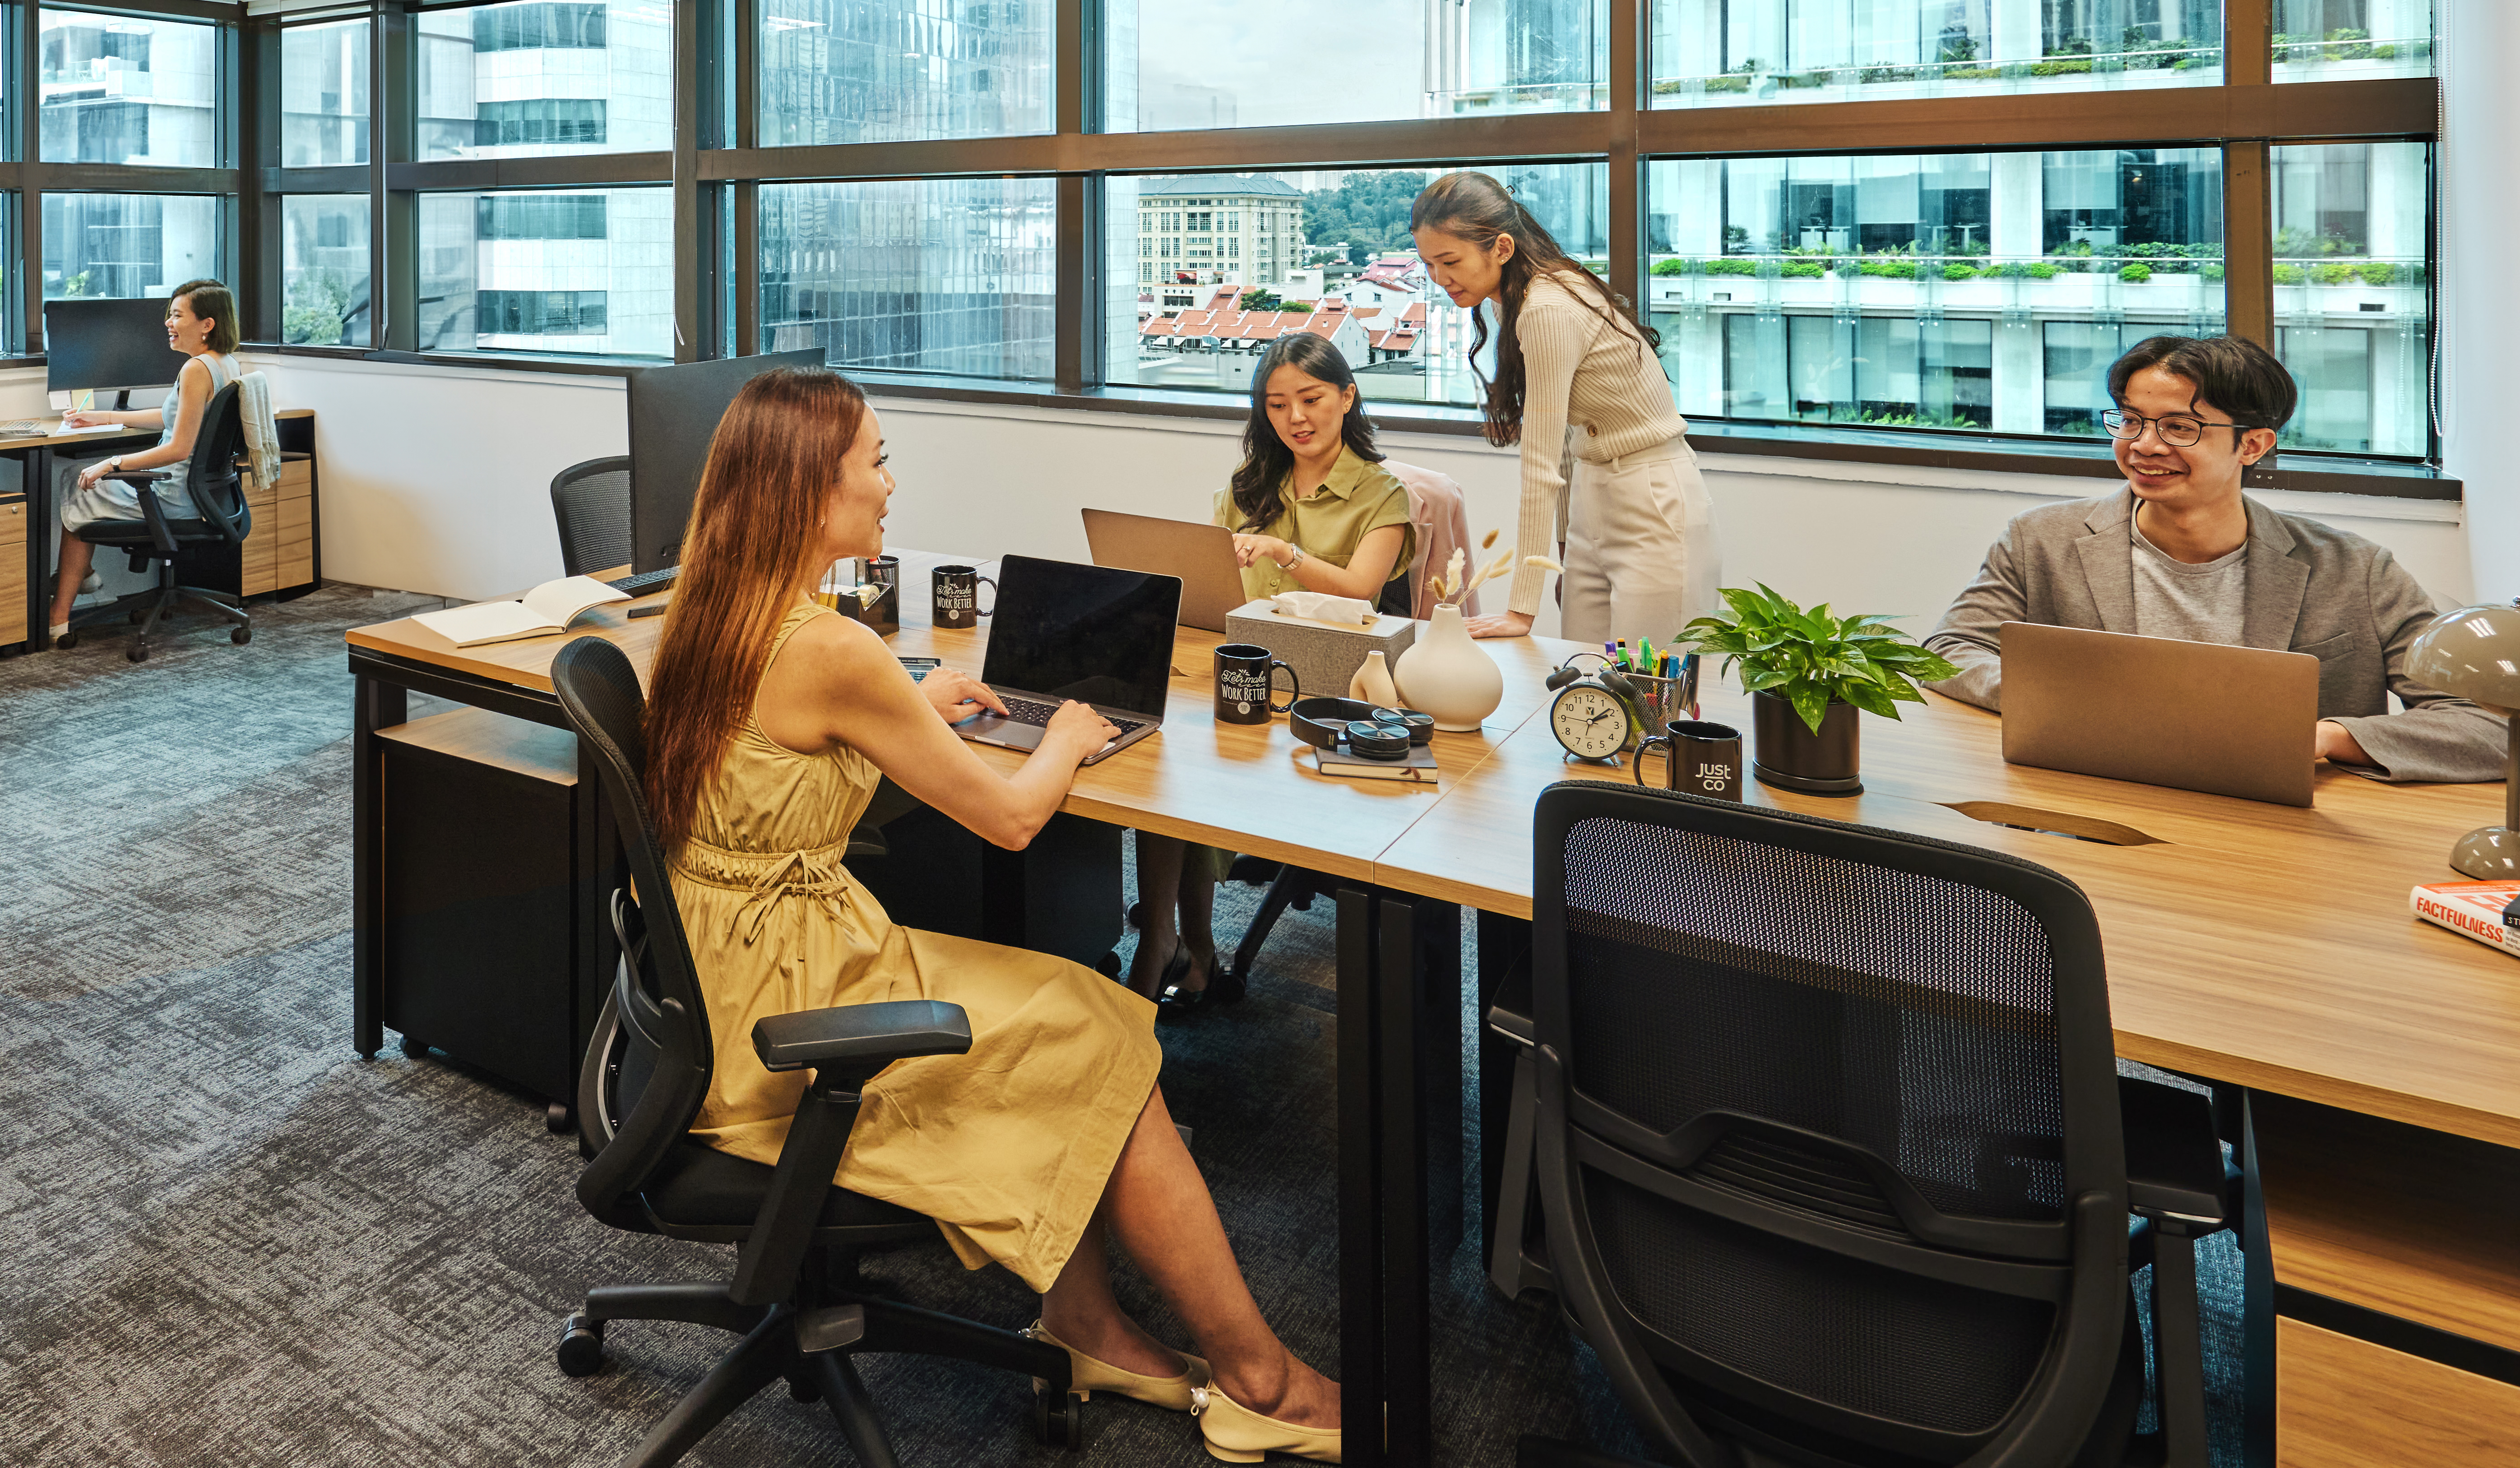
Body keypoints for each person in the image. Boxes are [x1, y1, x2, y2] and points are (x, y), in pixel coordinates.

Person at [642, 367, 1345, 1460]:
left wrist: (909, 706)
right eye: (873, 459)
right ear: (805, 493)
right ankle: (1257, 1380)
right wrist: (1068, 733)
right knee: (1099, 1023)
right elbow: (1015, 821)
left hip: (724, 967)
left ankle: (1089, 1321)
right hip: (791, 1009)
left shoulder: (713, 598)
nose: (889, 481)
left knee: (1071, 1008)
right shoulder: (830, 647)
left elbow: (770, 769)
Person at [1926, 334, 2520, 785]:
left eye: (2179, 428)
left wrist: (2329, 737)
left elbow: (2510, 732)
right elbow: (1948, 649)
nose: (2144, 445)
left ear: (2252, 443)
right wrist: (2074, 704)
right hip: (2091, 806)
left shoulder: (2355, 570)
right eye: (2130, 420)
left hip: (2277, 832)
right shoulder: (2042, 539)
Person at [1130, 335, 1415, 1006]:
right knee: (1160, 756)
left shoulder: (1384, 495)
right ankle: (1174, 941)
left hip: (1327, 690)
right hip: (1241, 679)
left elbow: (1359, 588)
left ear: (1348, 395)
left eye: (1311, 398)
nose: (1296, 417)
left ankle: (1187, 947)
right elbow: (1209, 582)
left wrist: (1285, 551)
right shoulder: (1250, 485)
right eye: (1278, 403)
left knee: (1192, 773)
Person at [1412, 171, 1716, 646]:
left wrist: (1520, 608)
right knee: (1588, 683)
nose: (1439, 279)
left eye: (1449, 261)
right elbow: (1566, 445)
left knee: (1651, 695)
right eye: (1428, 264)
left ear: (1502, 249)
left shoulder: (1546, 308)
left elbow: (1538, 464)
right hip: (1591, 495)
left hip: (1651, 494)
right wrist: (1557, 551)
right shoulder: (1510, 303)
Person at [47, 280, 240, 650]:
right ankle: (81, 579)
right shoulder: (225, 363)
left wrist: (113, 463)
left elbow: (179, 448)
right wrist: (102, 417)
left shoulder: (196, 369)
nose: (168, 322)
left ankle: (60, 612)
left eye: (177, 315)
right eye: (170, 314)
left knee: (78, 480)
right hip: (208, 495)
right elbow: (175, 417)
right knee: (81, 479)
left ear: (207, 324)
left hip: (174, 494)